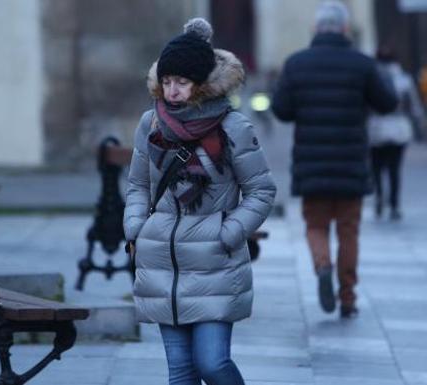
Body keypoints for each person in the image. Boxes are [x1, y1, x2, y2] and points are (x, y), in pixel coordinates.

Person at [124, 18, 276, 385]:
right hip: (164, 263)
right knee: (180, 373)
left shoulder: (233, 127)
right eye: (167, 81)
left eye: (182, 82)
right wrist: (135, 228)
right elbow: (138, 185)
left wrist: (228, 232)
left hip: (214, 264)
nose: (172, 91)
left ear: (201, 85)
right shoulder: (151, 124)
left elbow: (262, 191)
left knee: (213, 364)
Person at [271, 1, 398, 318]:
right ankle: (348, 297)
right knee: (348, 231)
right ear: (344, 29)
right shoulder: (363, 64)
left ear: (315, 29)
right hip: (351, 164)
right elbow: (387, 103)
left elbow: (281, 111)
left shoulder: (296, 63)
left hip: (310, 164)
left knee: (315, 226)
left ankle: (322, 265)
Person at [367, 47, 426, 220]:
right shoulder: (404, 79)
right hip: (399, 127)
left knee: (376, 168)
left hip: (375, 128)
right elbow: (415, 107)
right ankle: (394, 204)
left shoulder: (372, 78)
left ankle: (379, 197)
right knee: (394, 168)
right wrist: (419, 124)